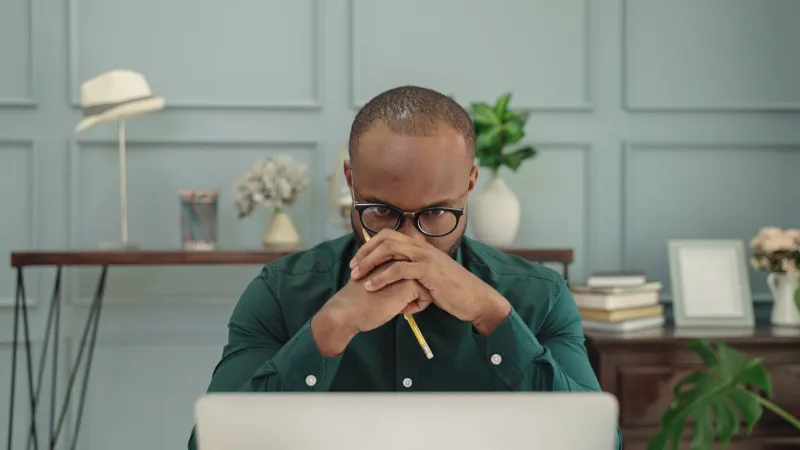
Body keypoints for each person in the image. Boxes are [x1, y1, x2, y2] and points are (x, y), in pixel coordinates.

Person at [188, 85, 621, 450]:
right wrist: (331, 328)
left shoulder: (538, 296)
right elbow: (212, 444)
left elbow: (598, 442)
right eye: (380, 211)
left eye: (436, 214)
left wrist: (493, 317)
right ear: (351, 180)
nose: (409, 242)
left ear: (469, 184)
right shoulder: (280, 292)